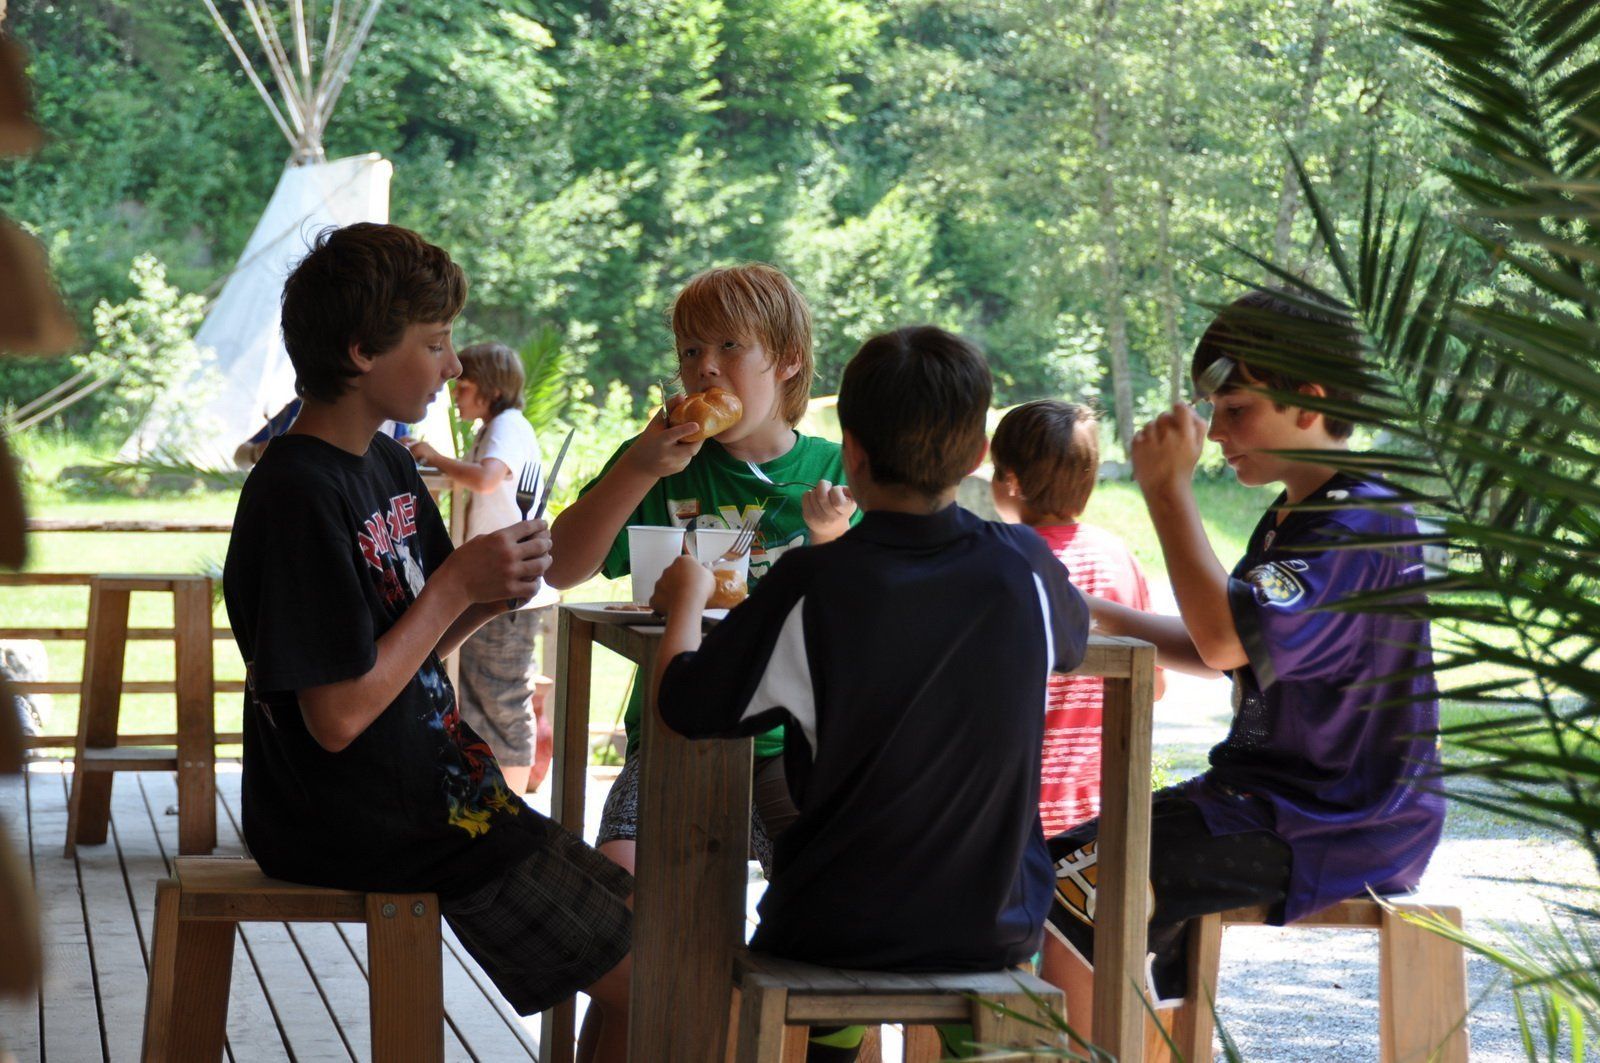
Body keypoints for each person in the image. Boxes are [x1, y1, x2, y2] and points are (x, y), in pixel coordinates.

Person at [222, 223, 631, 1061]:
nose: (452, 366)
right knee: (666, 973)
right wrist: (454, 584)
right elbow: (337, 716)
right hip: (365, 818)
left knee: (659, 943)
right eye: (436, 342)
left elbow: (417, 645)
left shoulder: (387, 463)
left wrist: (493, 592)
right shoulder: (296, 493)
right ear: (362, 350)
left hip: (441, 794)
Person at [648, 325, 1091, 1062]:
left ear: (851, 450)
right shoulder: (1026, 568)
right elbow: (1072, 644)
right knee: (972, 957)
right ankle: (974, 1047)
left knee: (829, 902)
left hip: (831, 922)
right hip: (996, 922)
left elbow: (684, 708)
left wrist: (687, 600)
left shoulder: (812, 583)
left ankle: (836, 1044)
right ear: (978, 455)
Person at [1045, 288, 1446, 1040]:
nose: (1219, 433)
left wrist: (1167, 490)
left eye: (1236, 409)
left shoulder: (1360, 519)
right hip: (1263, 802)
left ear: (1310, 400)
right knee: (1050, 863)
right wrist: (1092, 609)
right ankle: (1123, 1041)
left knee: (1080, 885)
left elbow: (1226, 641)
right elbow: (1221, 649)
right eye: (1214, 412)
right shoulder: (1299, 515)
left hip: (1340, 818)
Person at [546, 263, 858, 876]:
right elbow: (561, 568)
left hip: (791, 739)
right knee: (620, 881)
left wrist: (831, 535)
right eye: (690, 351)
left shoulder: (837, 471)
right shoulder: (658, 463)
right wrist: (638, 468)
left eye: (730, 346)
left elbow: (861, 613)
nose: (705, 367)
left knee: (826, 877)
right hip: (674, 730)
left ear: (788, 360)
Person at [990, 399, 1164, 839]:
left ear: (1010, 480)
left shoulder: (997, 559)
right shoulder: (1118, 557)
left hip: (1011, 818)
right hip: (1101, 819)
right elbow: (1156, 686)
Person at [406, 341, 552, 794]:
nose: (455, 393)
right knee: (481, 697)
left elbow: (487, 479)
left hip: (511, 585)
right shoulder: (494, 427)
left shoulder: (507, 426)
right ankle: (493, 798)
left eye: (464, 386)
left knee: (502, 699)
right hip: (496, 583)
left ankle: (514, 803)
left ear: (491, 389)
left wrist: (433, 456)